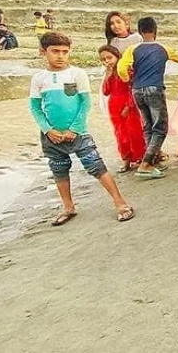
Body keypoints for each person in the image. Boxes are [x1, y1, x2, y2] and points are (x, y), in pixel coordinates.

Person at [29, 32, 135, 225]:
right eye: (55, 51)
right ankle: (68, 207)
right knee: (59, 170)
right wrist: (47, 129)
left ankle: (120, 204)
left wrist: (75, 129)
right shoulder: (39, 78)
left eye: (65, 51)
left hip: (79, 134)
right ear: (43, 52)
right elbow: (35, 108)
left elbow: (85, 103)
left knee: (96, 166)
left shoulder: (77, 74)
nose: (60, 56)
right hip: (51, 136)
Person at [117, 17, 178, 179]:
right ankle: (146, 164)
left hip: (137, 90)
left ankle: (152, 160)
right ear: (155, 31)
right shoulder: (163, 48)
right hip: (155, 89)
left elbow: (121, 68)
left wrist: (128, 80)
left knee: (148, 126)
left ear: (140, 31)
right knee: (160, 128)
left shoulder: (133, 49)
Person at [99, 45, 146, 173]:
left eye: (109, 58)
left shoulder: (125, 69)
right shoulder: (108, 73)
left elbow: (132, 88)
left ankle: (141, 158)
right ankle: (126, 159)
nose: (107, 61)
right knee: (120, 134)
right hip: (114, 105)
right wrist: (108, 75)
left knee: (135, 132)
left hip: (129, 104)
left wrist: (129, 106)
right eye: (103, 59)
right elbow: (106, 92)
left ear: (117, 57)